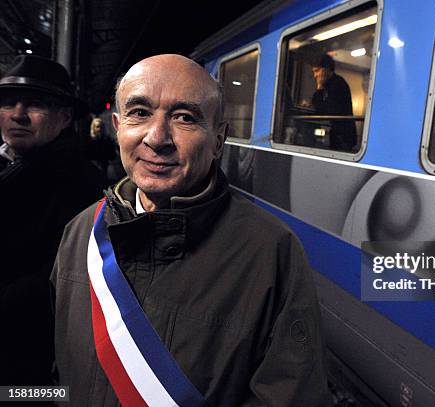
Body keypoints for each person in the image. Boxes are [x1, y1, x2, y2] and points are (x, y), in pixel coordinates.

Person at [51, 54, 331, 406]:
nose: (157, 138)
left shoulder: (269, 251)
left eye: (184, 118)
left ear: (218, 140)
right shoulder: (81, 232)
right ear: (118, 127)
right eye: (140, 113)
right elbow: (61, 368)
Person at [0, 55, 102, 386]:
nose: (18, 114)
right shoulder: (9, 164)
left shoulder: (79, 183)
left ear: (64, 118)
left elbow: (59, 278)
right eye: (8, 102)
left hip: (29, 358)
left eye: (36, 104)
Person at [311, 53, 357, 152]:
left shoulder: (338, 84)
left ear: (326, 69)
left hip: (343, 136)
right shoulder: (329, 84)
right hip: (337, 134)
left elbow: (325, 110)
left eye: (317, 71)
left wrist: (319, 86)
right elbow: (316, 106)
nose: (315, 75)